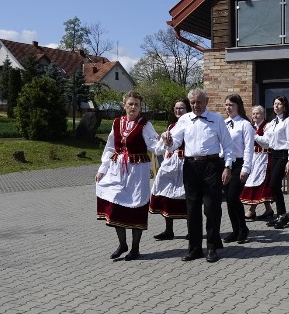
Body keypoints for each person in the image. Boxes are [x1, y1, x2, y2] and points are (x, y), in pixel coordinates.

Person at [163, 89, 234, 263]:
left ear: (206, 101)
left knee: (211, 208)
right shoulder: (184, 120)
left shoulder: (217, 119)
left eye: (199, 102)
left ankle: (211, 247)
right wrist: (169, 141)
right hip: (190, 166)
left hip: (212, 165)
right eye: (193, 102)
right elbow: (175, 143)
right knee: (192, 208)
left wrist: (228, 167)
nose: (196, 105)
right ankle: (194, 249)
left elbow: (228, 146)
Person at [95, 90, 161, 261]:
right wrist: (102, 170)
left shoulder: (145, 124)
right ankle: (122, 244)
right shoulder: (116, 123)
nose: (133, 107)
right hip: (117, 171)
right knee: (116, 204)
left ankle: (135, 248)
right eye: (130, 104)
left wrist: (166, 143)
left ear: (141, 107)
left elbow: (155, 145)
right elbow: (110, 147)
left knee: (136, 206)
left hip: (137, 173)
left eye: (136, 104)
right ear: (124, 105)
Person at [149, 98, 191, 240]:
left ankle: (191, 230)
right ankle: (169, 230)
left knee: (186, 196)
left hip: (185, 163)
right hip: (170, 163)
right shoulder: (171, 126)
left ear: (187, 110)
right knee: (165, 193)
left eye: (182, 108)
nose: (178, 111)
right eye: (176, 108)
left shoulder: (191, 124)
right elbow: (160, 147)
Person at [222, 94, 254, 244]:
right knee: (229, 199)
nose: (228, 107)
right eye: (226, 105)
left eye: (231, 105)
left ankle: (243, 228)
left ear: (238, 106)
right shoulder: (224, 123)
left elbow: (249, 148)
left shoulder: (245, 124)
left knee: (233, 197)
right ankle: (235, 230)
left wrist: (245, 168)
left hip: (239, 164)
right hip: (226, 164)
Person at [265, 95, 289, 229]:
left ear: (285, 106)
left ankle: (282, 215)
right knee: (274, 185)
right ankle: (281, 215)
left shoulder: (288, 122)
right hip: (274, 154)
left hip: (283, 155)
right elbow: (267, 141)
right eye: (274, 104)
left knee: (274, 184)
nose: (275, 106)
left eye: (279, 104)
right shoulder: (273, 122)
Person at [240, 105, 275, 220]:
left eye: (257, 113)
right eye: (253, 113)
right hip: (254, 158)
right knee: (256, 183)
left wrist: (254, 135)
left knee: (258, 183)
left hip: (264, 158)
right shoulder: (251, 126)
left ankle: (251, 210)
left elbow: (267, 142)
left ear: (263, 115)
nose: (255, 116)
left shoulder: (268, 126)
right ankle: (268, 210)